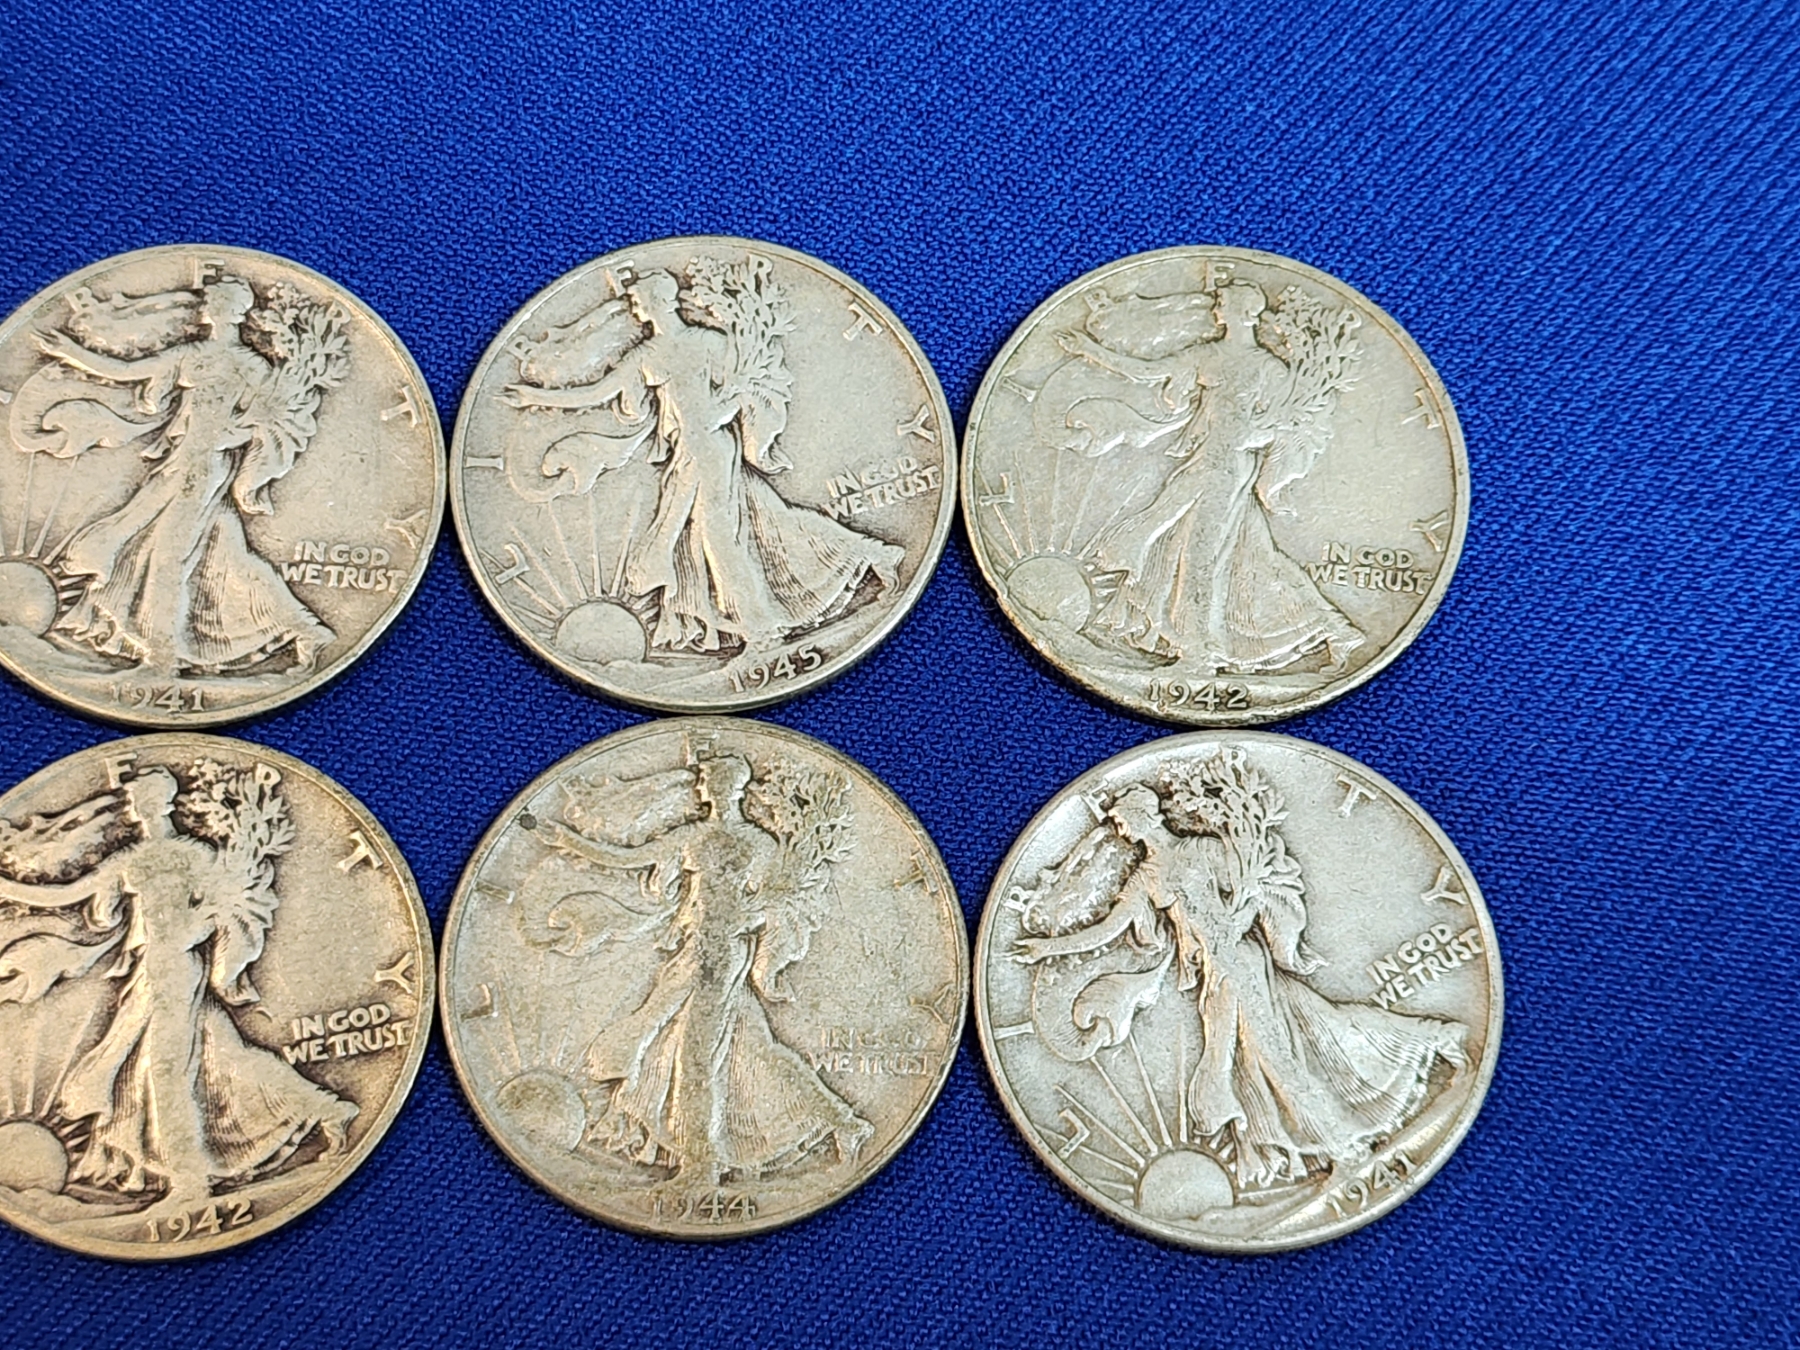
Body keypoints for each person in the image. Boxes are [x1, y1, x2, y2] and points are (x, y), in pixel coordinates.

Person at [1015, 784, 1464, 1191]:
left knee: (1276, 1060)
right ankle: (1436, 1037)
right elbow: (1109, 929)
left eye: (1121, 817)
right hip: (1217, 976)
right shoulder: (1147, 878)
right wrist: (1047, 948)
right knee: (1320, 1027)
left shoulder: (1203, 850)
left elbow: (1254, 892)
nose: (1118, 827)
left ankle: (1346, 1150)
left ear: (1144, 813)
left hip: (1244, 964)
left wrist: (1235, 925)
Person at [0, 768, 355, 1206]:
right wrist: (8, 886)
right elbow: (67, 894)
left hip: (175, 972)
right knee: (226, 1055)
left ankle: (189, 1183)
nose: (141, 808)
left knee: (166, 1076)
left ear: (163, 802)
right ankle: (328, 1109)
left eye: (146, 799)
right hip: (153, 971)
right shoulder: (134, 858)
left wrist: (191, 929)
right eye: (138, 802)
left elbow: (221, 906)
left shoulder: (192, 854)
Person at [504, 269, 901, 658]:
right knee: (768, 520)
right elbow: (597, 393)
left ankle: (762, 632)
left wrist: (719, 414)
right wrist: (535, 397)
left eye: (640, 300)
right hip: (687, 453)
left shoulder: (707, 342)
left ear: (662, 300)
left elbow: (746, 386)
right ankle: (875, 554)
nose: (635, 308)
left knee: (719, 539)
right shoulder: (647, 356)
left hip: (713, 449)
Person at [543, 755, 871, 1182]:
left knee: (696, 1057)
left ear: (724, 787)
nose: (699, 788)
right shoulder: (703, 836)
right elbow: (631, 858)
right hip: (700, 950)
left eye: (705, 780)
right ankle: (844, 1121)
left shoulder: (756, 844)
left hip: (721, 954)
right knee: (753, 1048)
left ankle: (701, 1165)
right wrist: (570, 842)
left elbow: (777, 901)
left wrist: (747, 917)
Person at [31, 278, 336, 676]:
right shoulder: (194, 354)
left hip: (205, 470)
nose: (206, 307)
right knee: (225, 556)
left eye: (215, 301)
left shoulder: (250, 366)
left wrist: (230, 435)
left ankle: (161, 659)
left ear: (233, 311)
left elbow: (264, 419)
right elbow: (129, 371)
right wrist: (72, 352)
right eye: (209, 301)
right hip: (181, 464)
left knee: (167, 557)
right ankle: (308, 631)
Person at [1058, 281, 1362, 674]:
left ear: (1244, 313)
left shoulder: (1268, 369)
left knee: (1198, 557)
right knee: (1249, 554)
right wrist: (1090, 350)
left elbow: (1285, 424)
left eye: (1223, 303)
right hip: (1206, 461)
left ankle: (1199, 655)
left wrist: (1252, 436)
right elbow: (1147, 372)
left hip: (1228, 469)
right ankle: (1336, 630)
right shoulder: (1210, 355)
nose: (1216, 310)